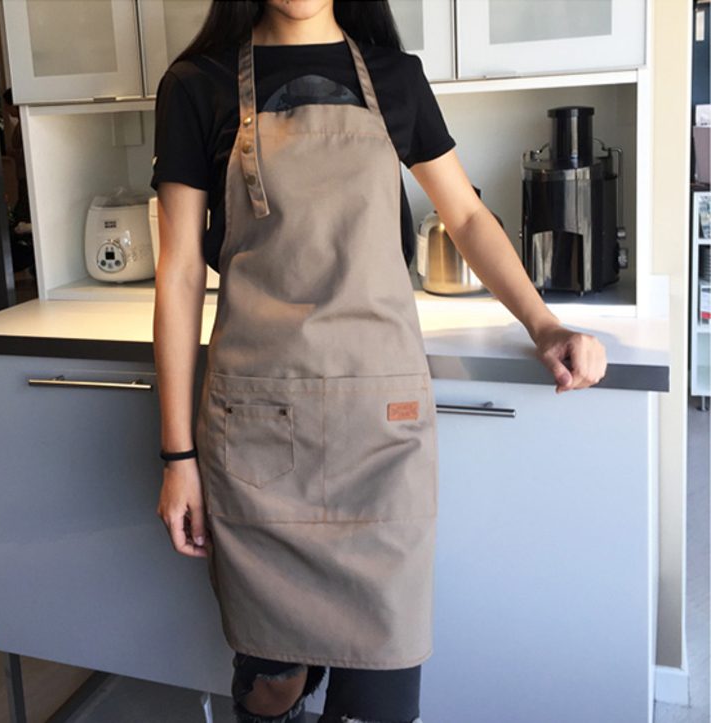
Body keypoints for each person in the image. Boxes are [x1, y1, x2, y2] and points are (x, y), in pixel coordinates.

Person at [151, 2, 608, 722]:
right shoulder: (196, 85)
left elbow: (466, 215)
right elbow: (179, 272)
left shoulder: (396, 78)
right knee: (270, 681)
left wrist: (544, 324)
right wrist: (177, 455)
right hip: (257, 431)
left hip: (381, 435)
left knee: (383, 693)